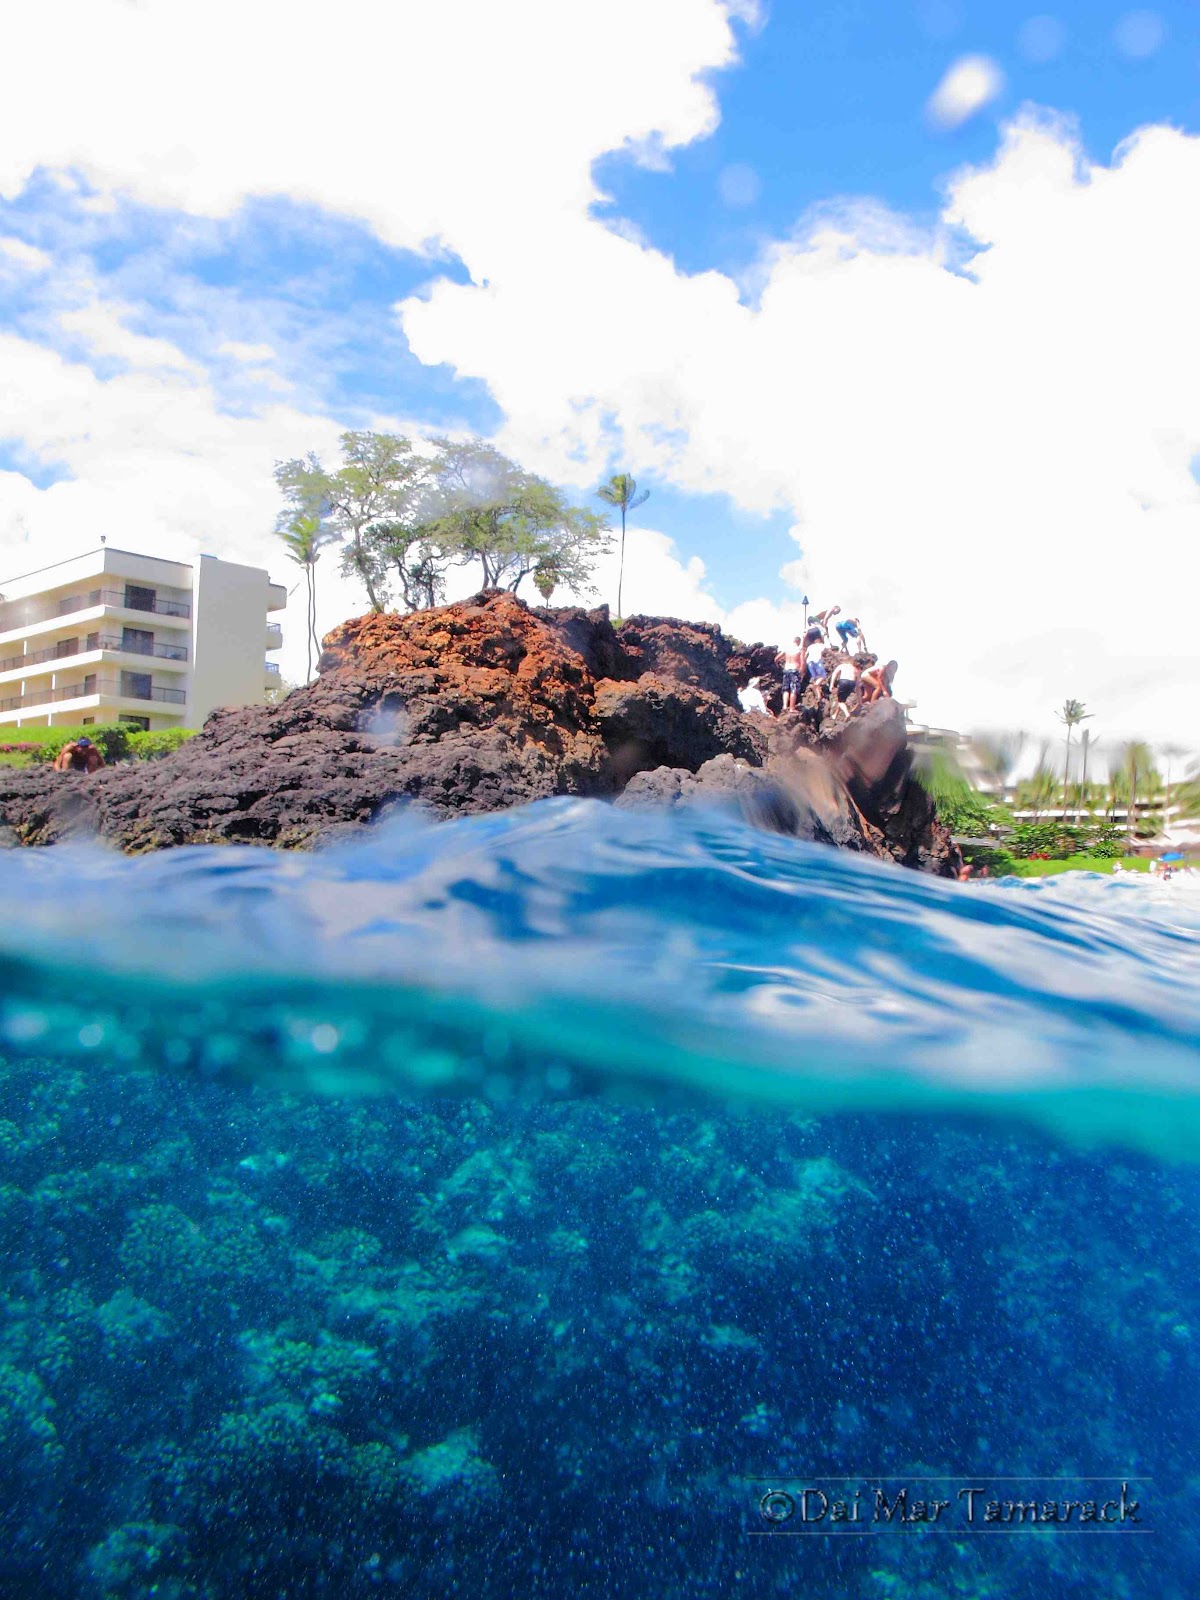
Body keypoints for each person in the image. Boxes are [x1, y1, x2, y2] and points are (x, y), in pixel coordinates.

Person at [777, 637, 805, 713]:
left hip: (786, 670)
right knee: (794, 689)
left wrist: (778, 666)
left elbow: (776, 659)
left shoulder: (787, 649)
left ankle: (785, 706)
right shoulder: (799, 649)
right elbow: (802, 663)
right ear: (798, 642)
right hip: (794, 670)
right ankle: (792, 708)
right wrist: (802, 673)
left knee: (785, 689)